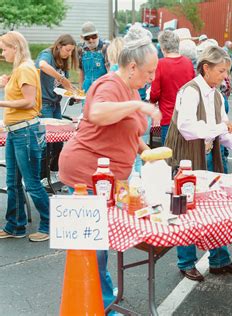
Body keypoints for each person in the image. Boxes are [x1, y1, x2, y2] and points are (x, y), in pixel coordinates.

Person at [58, 24, 161, 311]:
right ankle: (100, 303)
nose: (152, 76)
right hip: (86, 172)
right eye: (149, 71)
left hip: (108, 176)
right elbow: (98, 113)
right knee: (94, 243)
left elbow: (127, 131)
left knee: (100, 239)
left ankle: (101, 290)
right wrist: (137, 107)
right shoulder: (109, 85)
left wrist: (146, 150)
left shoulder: (130, 88)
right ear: (131, 67)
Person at [164, 46, 232, 282]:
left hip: (210, 155)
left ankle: (220, 260)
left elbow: (223, 134)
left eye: (226, 71)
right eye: (221, 71)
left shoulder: (218, 95)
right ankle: (186, 262)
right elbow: (188, 129)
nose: (225, 76)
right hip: (187, 159)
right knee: (186, 211)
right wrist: (224, 128)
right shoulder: (190, 92)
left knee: (215, 209)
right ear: (205, 68)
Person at [0, 31, 50, 242]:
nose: (2, 53)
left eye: (4, 49)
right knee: (12, 182)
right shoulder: (20, 70)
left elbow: (29, 102)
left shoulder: (26, 69)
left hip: (25, 132)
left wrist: (1, 102)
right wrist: (5, 85)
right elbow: (21, 96)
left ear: (15, 48)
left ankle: (49, 225)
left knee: (31, 183)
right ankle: (15, 225)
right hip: (16, 132)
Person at [35, 34, 78, 183]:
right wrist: (62, 79)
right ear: (59, 46)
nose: (69, 54)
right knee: (46, 142)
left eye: (72, 51)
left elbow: (61, 86)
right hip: (43, 104)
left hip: (55, 104)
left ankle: (53, 172)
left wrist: (73, 92)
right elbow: (42, 66)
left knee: (59, 140)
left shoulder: (63, 60)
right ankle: (41, 177)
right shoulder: (47, 55)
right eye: (67, 50)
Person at [150, 30, 195, 143]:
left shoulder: (160, 64)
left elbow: (154, 93)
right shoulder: (188, 63)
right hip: (186, 118)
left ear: (163, 47)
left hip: (166, 118)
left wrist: (151, 100)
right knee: (183, 156)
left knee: (164, 154)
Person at [77, 21, 109, 93]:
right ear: (82, 38)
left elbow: (110, 71)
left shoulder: (105, 48)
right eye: (87, 38)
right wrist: (79, 90)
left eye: (94, 36)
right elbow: (81, 71)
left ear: (97, 34)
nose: (91, 40)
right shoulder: (80, 49)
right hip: (87, 89)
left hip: (102, 89)